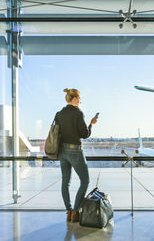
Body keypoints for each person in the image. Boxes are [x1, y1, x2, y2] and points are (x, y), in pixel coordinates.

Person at [55, 88, 98, 223]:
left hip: (62, 151)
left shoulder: (59, 114)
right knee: (85, 181)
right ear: (74, 99)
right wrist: (91, 124)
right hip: (74, 150)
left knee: (65, 182)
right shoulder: (78, 113)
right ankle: (75, 211)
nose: (80, 100)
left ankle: (68, 211)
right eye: (79, 98)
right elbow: (84, 134)